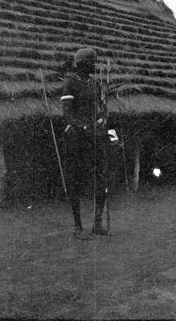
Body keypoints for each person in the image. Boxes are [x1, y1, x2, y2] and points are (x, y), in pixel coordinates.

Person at [60, 47, 110, 240]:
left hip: (93, 136)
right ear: (81, 64)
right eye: (91, 62)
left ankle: (97, 224)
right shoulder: (70, 83)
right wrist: (82, 127)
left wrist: (101, 117)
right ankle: (78, 227)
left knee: (101, 179)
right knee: (75, 181)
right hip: (75, 137)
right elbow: (67, 113)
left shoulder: (95, 84)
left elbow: (100, 109)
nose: (94, 66)